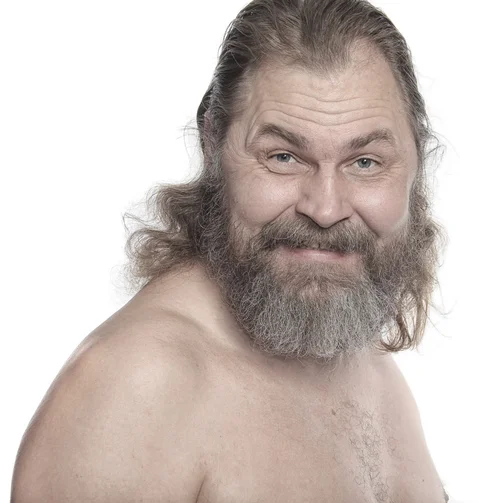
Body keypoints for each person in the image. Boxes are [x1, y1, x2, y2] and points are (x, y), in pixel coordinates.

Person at [12, 0, 449, 501]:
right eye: (283, 157)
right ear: (213, 147)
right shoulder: (136, 389)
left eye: (366, 162)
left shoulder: (362, 360)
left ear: (417, 163)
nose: (326, 208)